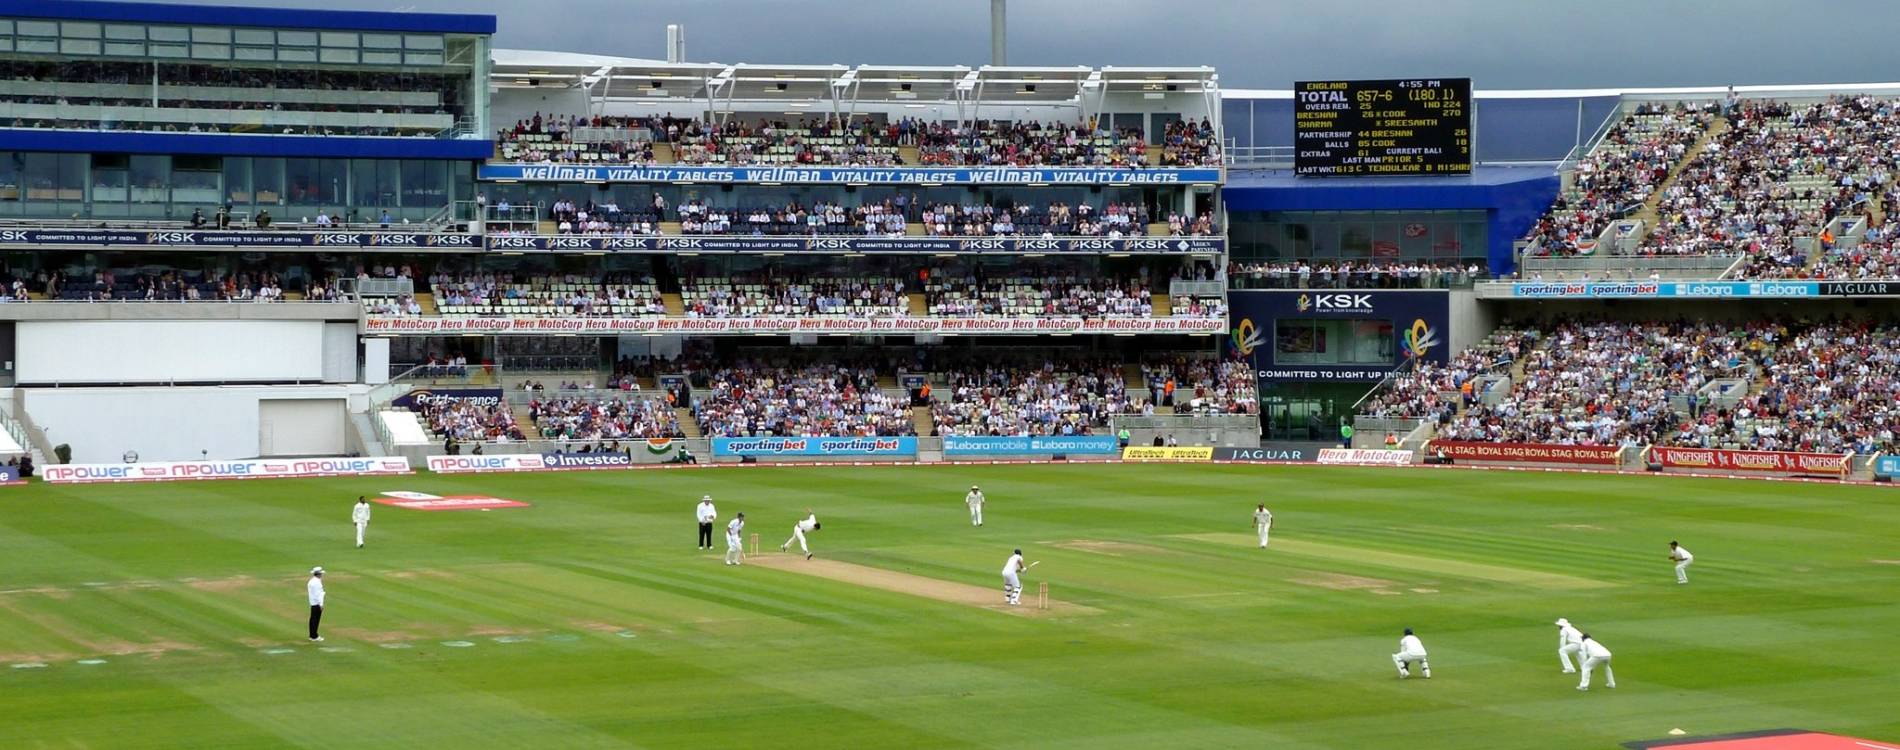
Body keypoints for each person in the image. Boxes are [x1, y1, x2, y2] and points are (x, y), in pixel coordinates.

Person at [306, 566, 326, 642]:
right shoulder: (317, 583)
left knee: (313, 619)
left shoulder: (311, 581)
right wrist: (321, 604)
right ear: (318, 574)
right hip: (316, 603)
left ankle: (312, 635)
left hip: (312, 602)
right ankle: (314, 636)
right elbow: (319, 594)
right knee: (315, 620)